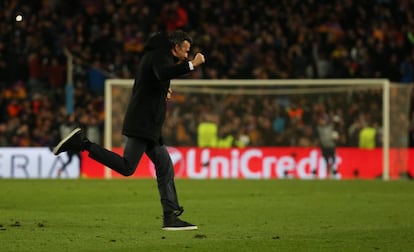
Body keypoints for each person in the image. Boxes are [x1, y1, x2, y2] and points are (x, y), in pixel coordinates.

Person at [53, 30, 205, 231]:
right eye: (185, 51)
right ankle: (82, 143)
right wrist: (192, 65)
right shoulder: (160, 55)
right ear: (175, 47)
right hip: (143, 123)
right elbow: (162, 73)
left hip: (149, 124)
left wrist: (163, 90)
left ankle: (170, 217)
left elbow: (153, 79)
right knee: (127, 167)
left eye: (188, 54)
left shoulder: (156, 56)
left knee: (165, 165)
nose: (186, 55)